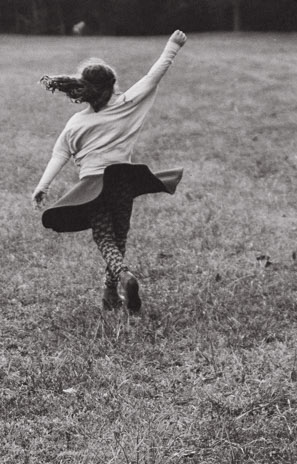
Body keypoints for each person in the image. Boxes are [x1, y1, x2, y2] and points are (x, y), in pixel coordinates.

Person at [33, 30, 187, 314]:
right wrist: (172, 47)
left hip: (92, 187)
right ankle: (110, 293)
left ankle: (123, 276)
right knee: (120, 236)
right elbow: (154, 76)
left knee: (104, 237)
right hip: (122, 181)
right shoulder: (127, 105)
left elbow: (60, 154)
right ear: (112, 86)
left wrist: (43, 185)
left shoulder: (76, 123)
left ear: (84, 89)